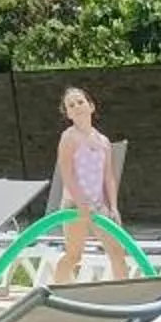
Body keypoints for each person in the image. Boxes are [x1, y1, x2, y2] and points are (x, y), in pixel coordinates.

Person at [53, 86, 128, 282]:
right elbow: (67, 174)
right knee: (74, 255)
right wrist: (80, 203)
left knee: (117, 250)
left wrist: (114, 207)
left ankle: (124, 295)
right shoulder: (69, 137)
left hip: (98, 204)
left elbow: (108, 177)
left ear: (91, 106)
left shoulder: (103, 141)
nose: (77, 106)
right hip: (74, 205)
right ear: (68, 113)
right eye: (71, 105)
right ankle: (57, 289)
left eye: (80, 102)